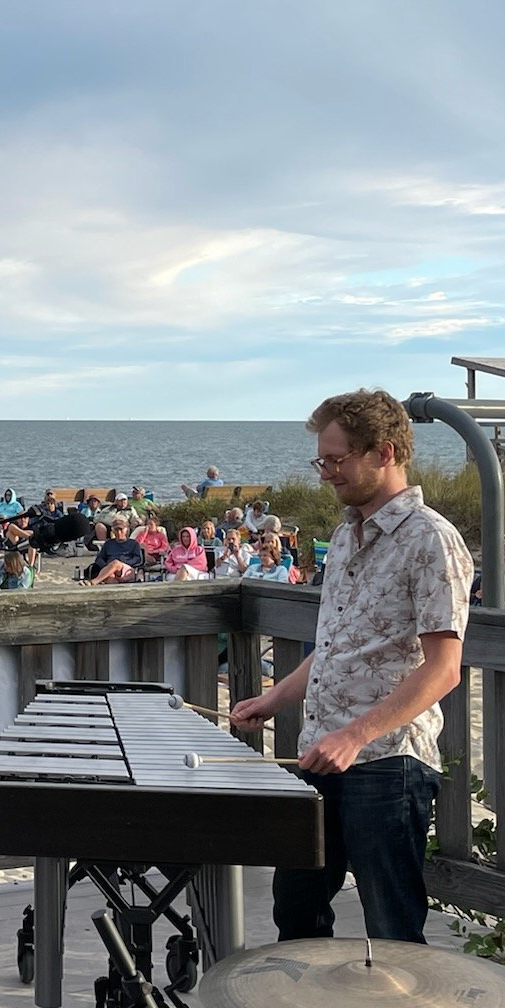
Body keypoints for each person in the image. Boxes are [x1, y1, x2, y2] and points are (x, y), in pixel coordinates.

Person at [232, 389, 471, 945]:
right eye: (322, 460)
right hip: (321, 755)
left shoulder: (432, 540)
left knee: (392, 929)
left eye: (336, 460)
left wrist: (356, 736)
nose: (325, 474)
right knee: (296, 915)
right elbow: (337, 644)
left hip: (388, 766)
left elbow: (444, 669)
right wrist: (276, 697)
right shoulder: (345, 534)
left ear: (383, 453)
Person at [86, 519, 143, 585]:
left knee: (115, 563)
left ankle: (94, 581)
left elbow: (138, 559)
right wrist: (107, 566)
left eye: (121, 530)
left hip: (127, 570)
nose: (119, 532)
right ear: (113, 531)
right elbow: (99, 559)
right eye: (116, 530)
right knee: (110, 577)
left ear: (126, 530)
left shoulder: (134, 544)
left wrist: (121, 563)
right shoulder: (108, 544)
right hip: (111, 569)